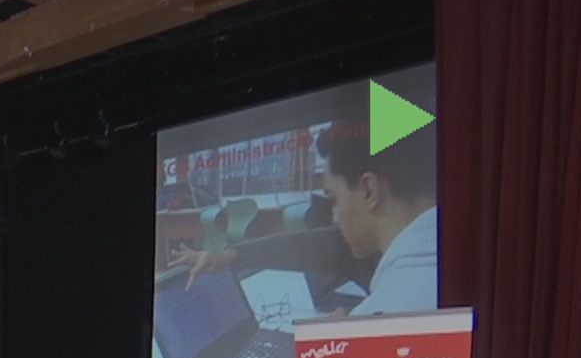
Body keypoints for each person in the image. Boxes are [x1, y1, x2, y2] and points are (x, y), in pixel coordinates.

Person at [172, 108, 436, 315]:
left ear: (369, 191)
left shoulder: (392, 315)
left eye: (333, 199)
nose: (334, 218)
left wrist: (341, 347)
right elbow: (326, 245)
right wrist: (233, 255)